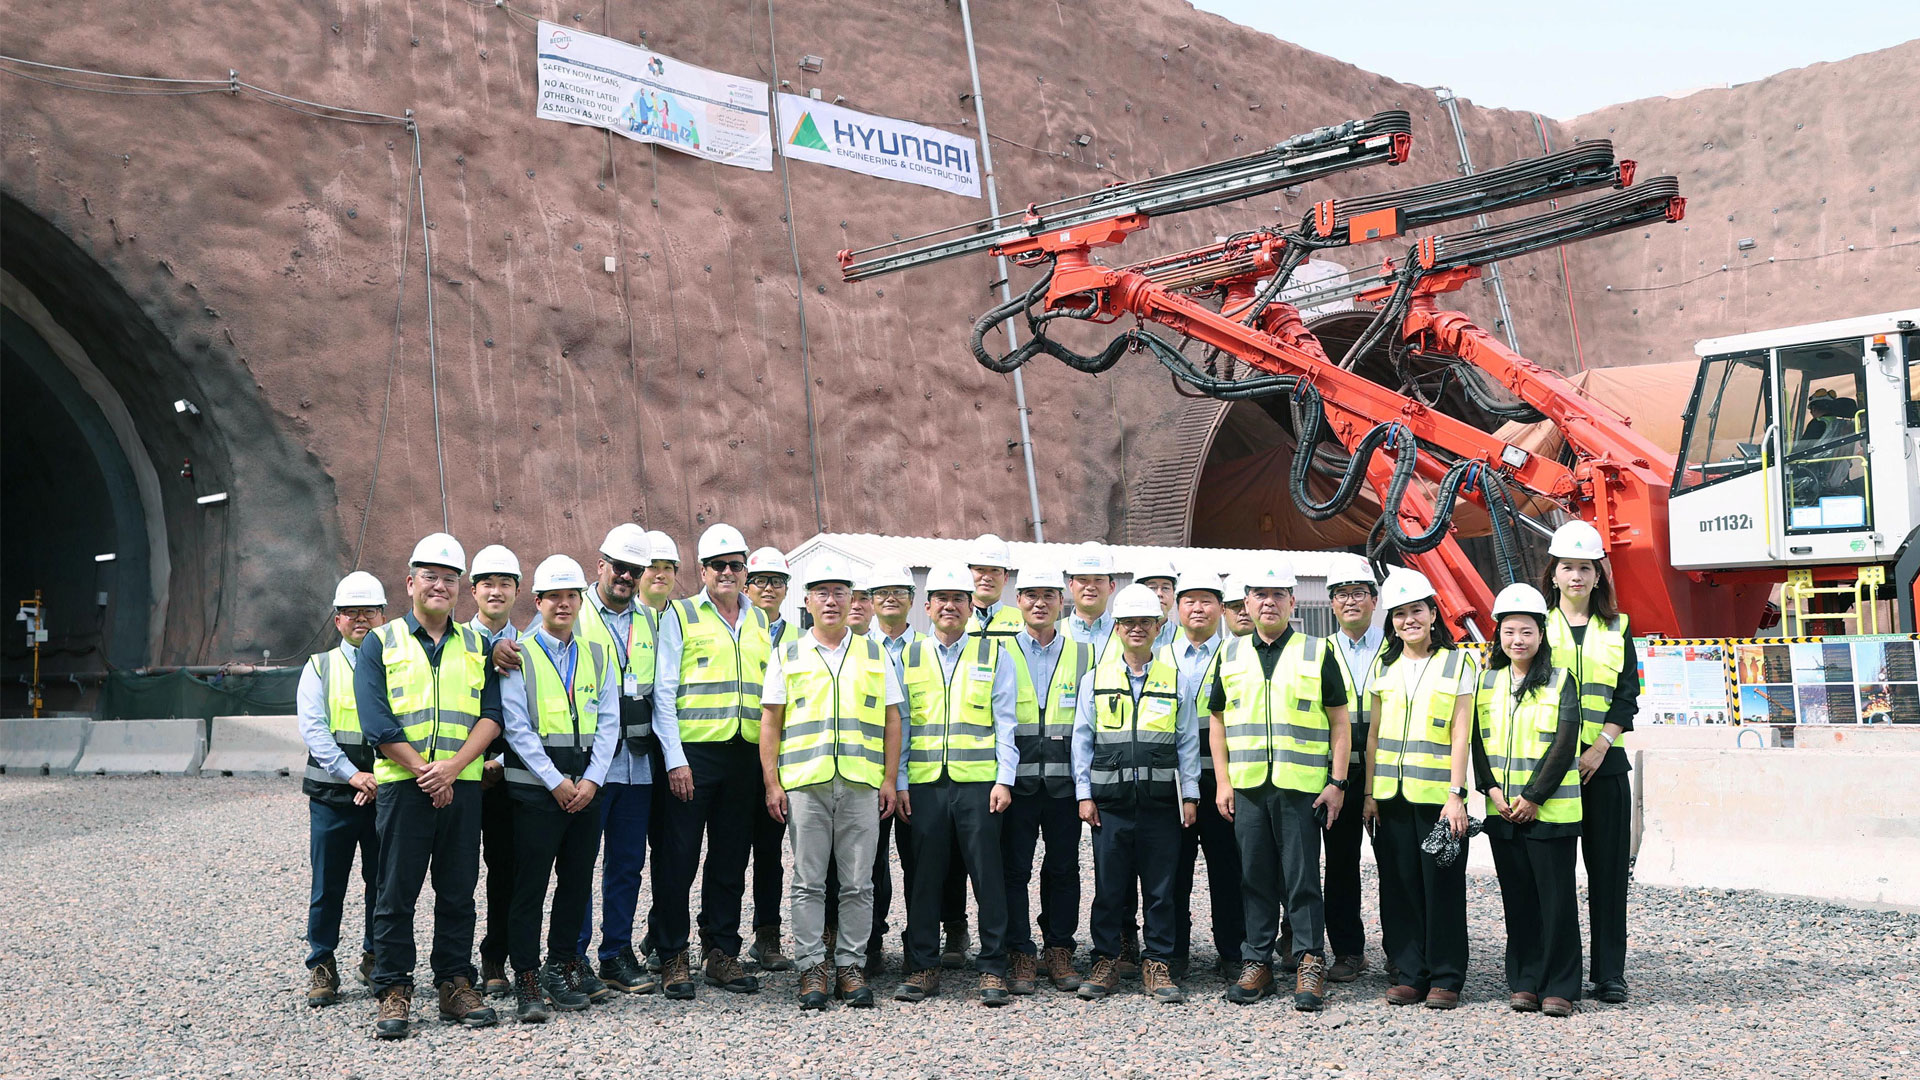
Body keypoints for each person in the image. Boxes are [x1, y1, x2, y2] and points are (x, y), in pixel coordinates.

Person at [357, 533, 503, 1038]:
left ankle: (454, 983)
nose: (440, 585)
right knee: (395, 892)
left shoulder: (478, 644)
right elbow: (377, 722)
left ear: (459, 587)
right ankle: (393, 988)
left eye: (449, 578)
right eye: (431, 576)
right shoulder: (381, 642)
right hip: (404, 787)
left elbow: (491, 717)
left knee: (458, 891)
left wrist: (452, 768)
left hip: (460, 788)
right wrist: (427, 771)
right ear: (410, 582)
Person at [759, 558, 905, 1010]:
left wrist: (888, 778)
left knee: (859, 883)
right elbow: (771, 721)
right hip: (806, 784)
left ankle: (850, 965)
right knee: (808, 881)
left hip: (861, 784)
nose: (830, 599)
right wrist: (772, 783)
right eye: (821, 592)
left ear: (852, 600)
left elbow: (892, 718)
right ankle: (811, 967)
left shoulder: (875, 653)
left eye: (839, 591)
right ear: (807, 601)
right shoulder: (788, 653)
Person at [1209, 559, 1351, 1011]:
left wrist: (1338, 782)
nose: (1268, 602)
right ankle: (1258, 962)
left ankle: (1309, 960)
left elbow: (1340, 723)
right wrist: (1223, 782)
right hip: (1249, 787)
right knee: (1254, 878)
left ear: (1291, 602)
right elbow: (1217, 721)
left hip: (1301, 787)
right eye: (1259, 595)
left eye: (1277, 596)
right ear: (1246, 603)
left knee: (1303, 878)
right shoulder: (1228, 654)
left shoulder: (1315, 651)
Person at [649, 524, 773, 998]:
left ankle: (721, 951)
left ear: (745, 571)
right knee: (677, 859)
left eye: (735, 565)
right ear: (702, 571)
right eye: (718, 565)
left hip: (744, 755)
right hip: (693, 756)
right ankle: (672, 955)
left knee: (729, 859)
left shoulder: (761, 622)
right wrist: (676, 760)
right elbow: (663, 694)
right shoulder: (679, 617)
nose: (727, 572)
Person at [498, 555, 621, 1022]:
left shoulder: (596, 653)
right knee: (529, 886)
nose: (564, 604)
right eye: (555, 596)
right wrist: (556, 783)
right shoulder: (519, 653)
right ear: (539, 602)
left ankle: (563, 964)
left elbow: (609, 721)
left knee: (576, 882)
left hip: (588, 790)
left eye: (572, 596)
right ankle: (526, 976)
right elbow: (517, 726)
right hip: (537, 792)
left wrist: (591, 779)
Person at [893, 561, 1020, 1007]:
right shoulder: (907, 657)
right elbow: (902, 727)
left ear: (971, 608)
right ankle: (924, 966)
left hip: (980, 786)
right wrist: (901, 781)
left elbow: (1006, 723)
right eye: (942, 600)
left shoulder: (993, 655)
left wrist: (1005, 779)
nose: (950, 606)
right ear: (927, 607)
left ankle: (992, 969)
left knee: (989, 878)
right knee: (924, 878)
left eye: (959, 600)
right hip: (925, 786)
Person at [1073, 585, 1200, 1003]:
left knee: (1161, 889)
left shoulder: (1174, 681)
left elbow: (1186, 744)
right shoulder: (1095, 680)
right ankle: (1106, 960)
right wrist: (1084, 794)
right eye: (1128, 623)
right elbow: (1082, 741)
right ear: (1117, 626)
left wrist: (1190, 795)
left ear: (1159, 626)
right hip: (1109, 806)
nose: (1136, 629)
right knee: (1110, 888)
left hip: (1161, 803)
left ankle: (1158, 963)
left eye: (1145, 622)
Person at [1361, 570, 1475, 1009]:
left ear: (1433, 614)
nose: (1410, 620)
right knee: (1399, 886)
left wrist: (1456, 794)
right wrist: (1369, 793)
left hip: (1437, 800)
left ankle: (1446, 977)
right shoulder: (1383, 666)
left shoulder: (1457, 662)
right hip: (1390, 797)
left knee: (1442, 887)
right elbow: (1372, 736)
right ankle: (1410, 973)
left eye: (1417, 611)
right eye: (1400, 614)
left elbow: (1461, 734)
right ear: (1392, 621)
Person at [1475, 583, 1585, 1017]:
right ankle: (1523, 981)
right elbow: (1477, 743)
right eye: (1508, 632)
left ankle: (1560, 986)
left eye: (1526, 631)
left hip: (1550, 812)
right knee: (1518, 901)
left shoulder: (1561, 680)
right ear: (1498, 636)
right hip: (1502, 812)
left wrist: (1534, 796)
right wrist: (1493, 790)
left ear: (1541, 635)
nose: (1516, 640)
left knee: (1555, 902)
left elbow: (1564, 743)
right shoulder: (1487, 682)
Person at [1540, 520, 1638, 1005]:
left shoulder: (1618, 628)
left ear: (1598, 575)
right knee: (1553, 879)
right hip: (1549, 774)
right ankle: (1561, 972)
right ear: (1553, 574)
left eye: (1585, 567)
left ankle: (1609, 974)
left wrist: (1601, 745)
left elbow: (1626, 697)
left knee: (1608, 874)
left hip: (1606, 768)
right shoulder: (1536, 627)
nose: (1576, 576)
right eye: (1567, 567)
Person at [999, 566, 1093, 993]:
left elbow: (1089, 727)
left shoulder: (1083, 654)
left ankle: (1059, 949)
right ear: (1018, 601)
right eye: (1030, 595)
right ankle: (1020, 950)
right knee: (1014, 871)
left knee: (1063, 868)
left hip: (1063, 787)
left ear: (1062, 601)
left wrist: (1085, 786)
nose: (1039, 602)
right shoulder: (1000, 652)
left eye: (1048, 595)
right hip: (1015, 785)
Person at [300, 571, 388, 1008]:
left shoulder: (395, 663)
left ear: (382, 616)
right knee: (327, 885)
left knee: (382, 882)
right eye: (351, 612)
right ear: (337, 620)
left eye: (369, 611)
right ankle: (322, 963)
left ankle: (375, 957)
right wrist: (353, 776)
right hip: (335, 796)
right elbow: (315, 731)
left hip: (384, 794)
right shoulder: (320, 666)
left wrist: (376, 780)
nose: (360, 619)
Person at [1165, 572, 1242, 983]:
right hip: (1173, 783)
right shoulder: (1160, 656)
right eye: (1190, 601)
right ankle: (1173, 952)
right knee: (1172, 870)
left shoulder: (1236, 655)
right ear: (1177, 608)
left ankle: (1232, 951)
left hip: (1221, 780)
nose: (1198, 608)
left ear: (1222, 609)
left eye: (1208, 601)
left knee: (1228, 869)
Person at [1315, 553, 1385, 984]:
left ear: (1374, 599)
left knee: (1395, 867)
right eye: (1342, 595)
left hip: (1386, 778)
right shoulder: (1319, 652)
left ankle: (1401, 951)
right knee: (1339, 867)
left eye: (1359, 593)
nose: (1351, 601)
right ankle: (1347, 951)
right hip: (1337, 777)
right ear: (1332, 604)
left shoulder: (1395, 648)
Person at [864, 562, 936, 976]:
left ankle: (920, 946)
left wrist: (903, 777)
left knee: (920, 866)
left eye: (899, 591)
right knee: (868, 866)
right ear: (870, 602)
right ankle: (870, 942)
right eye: (881, 592)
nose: (890, 598)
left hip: (919, 778)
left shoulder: (930, 648)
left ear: (913, 601)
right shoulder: (857, 648)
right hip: (870, 774)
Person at [466, 545, 524, 999]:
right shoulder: (455, 642)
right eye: (488, 583)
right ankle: (452, 964)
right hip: (459, 774)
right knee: (457, 873)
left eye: (506, 583)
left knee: (504, 870)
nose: (497, 591)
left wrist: (500, 763)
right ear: (473, 591)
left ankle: (494, 957)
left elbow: (535, 717)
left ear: (518, 591)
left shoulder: (530, 646)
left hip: (506, 776)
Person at [745, 544, 797, 972]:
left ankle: (768, 935)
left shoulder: (801, 636)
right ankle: (710, 939)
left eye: (777, 582)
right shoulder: (735, 627)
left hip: (787, 760)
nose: (768, 588)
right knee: (722, 851)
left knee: (770, 852)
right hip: (734, 748)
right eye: (760, 581)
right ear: (747, 586)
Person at [969, 533, 1027, 640]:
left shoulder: (1023, 622)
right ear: (968, 574)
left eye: (995, 570)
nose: (987, 577)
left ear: (1005, 578)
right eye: (980, 569)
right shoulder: (954, 620)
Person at [1064, 542, 1117, 659]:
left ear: (1111, 586)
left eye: (1098, 579)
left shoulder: (1125, 633)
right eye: (1083, 579)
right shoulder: (1053, 632)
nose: (1090, 587)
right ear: (1071, 585)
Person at [1131, 557, 1181, 650]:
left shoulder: (1187, 638)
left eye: (1165, 588)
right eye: (1152, 588)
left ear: (1174, 595)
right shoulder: (1123, 635)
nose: (1159, 594)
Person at [640, 531, 680, 614]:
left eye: (667, 567)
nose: (661, 575)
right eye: (653, 567)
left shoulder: (683, 616)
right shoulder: (623, 616)